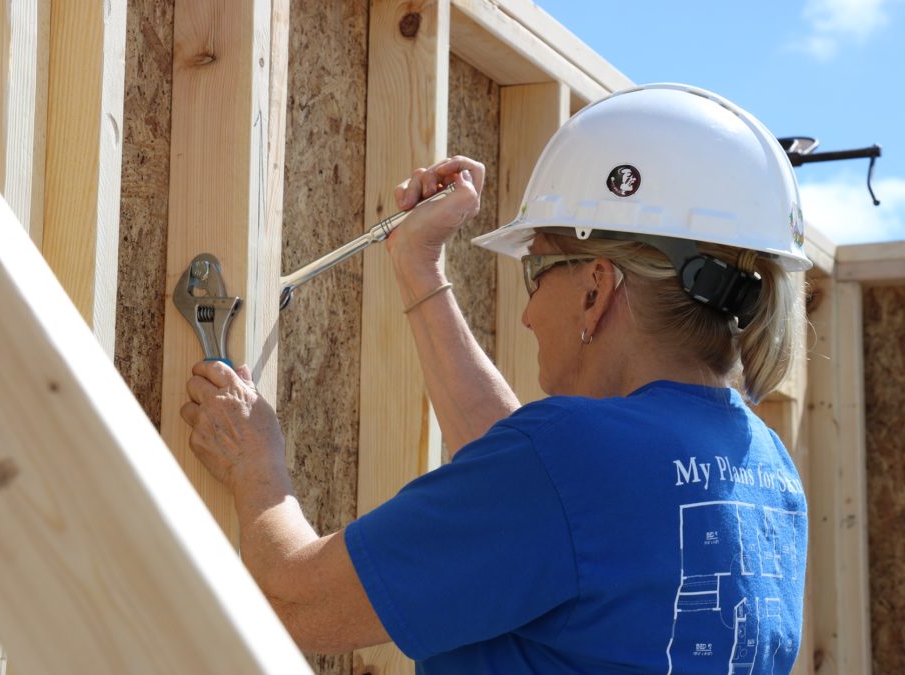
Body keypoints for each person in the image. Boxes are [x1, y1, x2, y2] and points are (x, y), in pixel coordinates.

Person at [180, 83, 810, 673]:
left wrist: (253, 462)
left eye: (537, 274)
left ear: (597, 286)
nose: (528, 315)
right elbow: (534, 507)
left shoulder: (571, 461)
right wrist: (418, 267)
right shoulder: (767, 472)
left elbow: (298, 606)